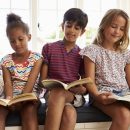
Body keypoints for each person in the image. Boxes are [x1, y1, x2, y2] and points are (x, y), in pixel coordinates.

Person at [80, 9, 130, 130]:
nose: (117, 31)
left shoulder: (125, 53)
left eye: (122, 29)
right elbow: (89, 80)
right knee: (124, 115)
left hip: (123, 95)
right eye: (113, 26)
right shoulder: (92, 50)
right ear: (103, 26)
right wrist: (97, 96)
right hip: (102, 94)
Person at [40, 8, 88, 130]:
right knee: (69, 114)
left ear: (82, 32)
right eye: (69, 26)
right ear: (63, 26)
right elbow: (43, 81)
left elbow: (85, 86)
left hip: (73, 96)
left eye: (77, 28)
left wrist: (81, 89)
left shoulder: (82, 54)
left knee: (59, 94)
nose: (72, 30)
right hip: (52, 94)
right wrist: (51, 85)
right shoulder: (48, 48)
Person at [0, 13, 43, 130]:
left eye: (20, 39)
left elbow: (31, 81)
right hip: (11, 98)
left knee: (29, 110)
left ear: (28, 37)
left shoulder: (37, 58)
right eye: (12, 41)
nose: (17, 44)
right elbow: (8, 83)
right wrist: (9, 99)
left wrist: (21, 100)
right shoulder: (6, 60)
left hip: (29, 96)